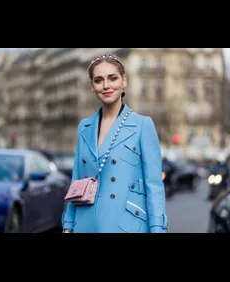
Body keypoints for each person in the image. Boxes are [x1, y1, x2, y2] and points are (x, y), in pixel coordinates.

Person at [62, 53, 168, 233]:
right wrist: (68, 226)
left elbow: (154, 187)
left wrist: (158, 229)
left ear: (123, 81)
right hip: (85, 225)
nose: (106, 86)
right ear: (92, 86)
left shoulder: (142, 125)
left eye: (112, 78)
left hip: (126, 226)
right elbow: (77, 182)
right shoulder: (84, 127)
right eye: (98, 80)